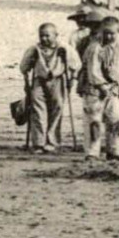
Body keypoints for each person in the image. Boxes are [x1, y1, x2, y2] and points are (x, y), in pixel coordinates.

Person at [20, 21, 81, 153]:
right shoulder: (34, 49)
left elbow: (75, 64)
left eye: (47, 36)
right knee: (37, 110)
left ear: (56, 35)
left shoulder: (64, 48)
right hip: (39, 81)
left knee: (57, 109)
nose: (44, 39)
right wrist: (26, 82)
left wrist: (73, 78)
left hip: (57, 80)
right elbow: (24, 67)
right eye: (41, 36)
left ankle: (52, 142)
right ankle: (38, 143)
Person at [78, 15, 119, 159]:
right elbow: (93, 70)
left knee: (116, 120)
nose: (109, 36)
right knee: (94, 121)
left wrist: (118, 84)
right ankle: (92, 152)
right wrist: (102, 86)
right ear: (100, 31)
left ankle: (114, 150)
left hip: (113, 89)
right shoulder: (95, 48)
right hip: (95, 90)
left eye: (112, 33)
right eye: (105, 32)